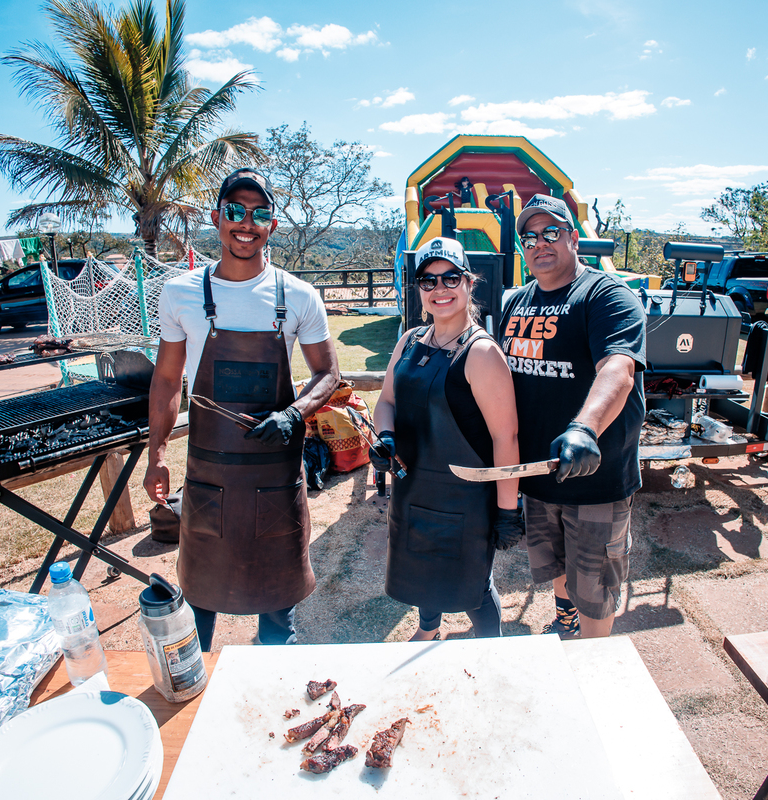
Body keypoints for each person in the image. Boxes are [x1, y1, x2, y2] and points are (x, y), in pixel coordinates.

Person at [144, 167, 340, 649]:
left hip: (275, 478)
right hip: (208, 476)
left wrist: (293, 414)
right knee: (199, 603)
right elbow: (167, 380)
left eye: (260, 214)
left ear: (272, 224)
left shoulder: (298, 296)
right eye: (235, 211)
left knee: (278, 613)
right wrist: (157, 455)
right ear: (217, 218)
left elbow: (328, 373)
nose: (246, 223)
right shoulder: (180, 293)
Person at [500, 194, 646, 639]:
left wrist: (584, 428)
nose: (539, 243)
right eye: (529, 237)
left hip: (594, 478)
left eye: (551, 232)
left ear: (574, 238)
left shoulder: (606, 295)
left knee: (595, 585)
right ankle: (566, 625)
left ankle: (592, 657)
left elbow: (618, 370)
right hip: (540, 477)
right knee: (558, 568)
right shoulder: (515, 302)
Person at [371, 236, 523, 641]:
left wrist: (508, 510)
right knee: (423, 569)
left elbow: (505, 437)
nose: (439, 288)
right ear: (418, 289)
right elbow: (386, 401)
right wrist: (386, 437)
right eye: (428, 280)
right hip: (413, 490)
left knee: (474, 588)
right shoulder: (409, 341)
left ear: (469, 283)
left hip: (465, 500)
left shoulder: (482, 353)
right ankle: (428, 630)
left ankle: (491, 648)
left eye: (450, 278)